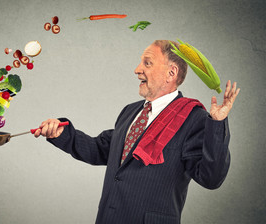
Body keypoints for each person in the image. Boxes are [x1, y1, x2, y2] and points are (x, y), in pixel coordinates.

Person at [34, 40, 240, 224]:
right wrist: (60, 133)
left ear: (171, 73)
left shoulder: (193, 118)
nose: (137, 69)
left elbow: (210, 179)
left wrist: (217, 123)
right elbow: (101, 149)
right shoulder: (131, 111)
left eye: (147, 63)